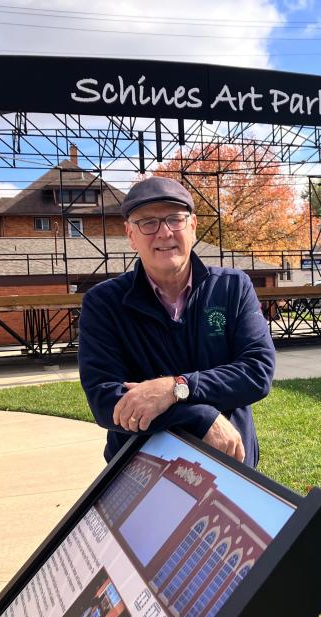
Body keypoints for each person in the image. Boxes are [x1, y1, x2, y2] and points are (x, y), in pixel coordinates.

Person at [77, 176, 275, 467]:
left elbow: (257, 372)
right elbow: (106, 402)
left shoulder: (233, 288)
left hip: (229, 464)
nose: (164, 232)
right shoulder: (103, 304)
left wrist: (177, 388)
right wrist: (201, 416)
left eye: (175, 219)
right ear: (130, 235)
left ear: (193, 226)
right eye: (148, 223)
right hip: (144, 468)